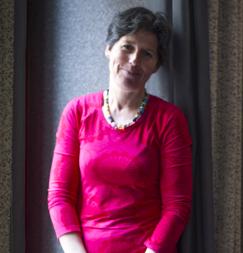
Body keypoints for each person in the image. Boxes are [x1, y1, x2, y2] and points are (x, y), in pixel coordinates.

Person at [48, 7, 192, 253]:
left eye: (147, 53)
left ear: (156, 65)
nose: (134, 60)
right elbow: (59, 196)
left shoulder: (169, 119)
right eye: (127, 47)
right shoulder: (77, 112)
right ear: (109, 48)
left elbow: (177, 207)